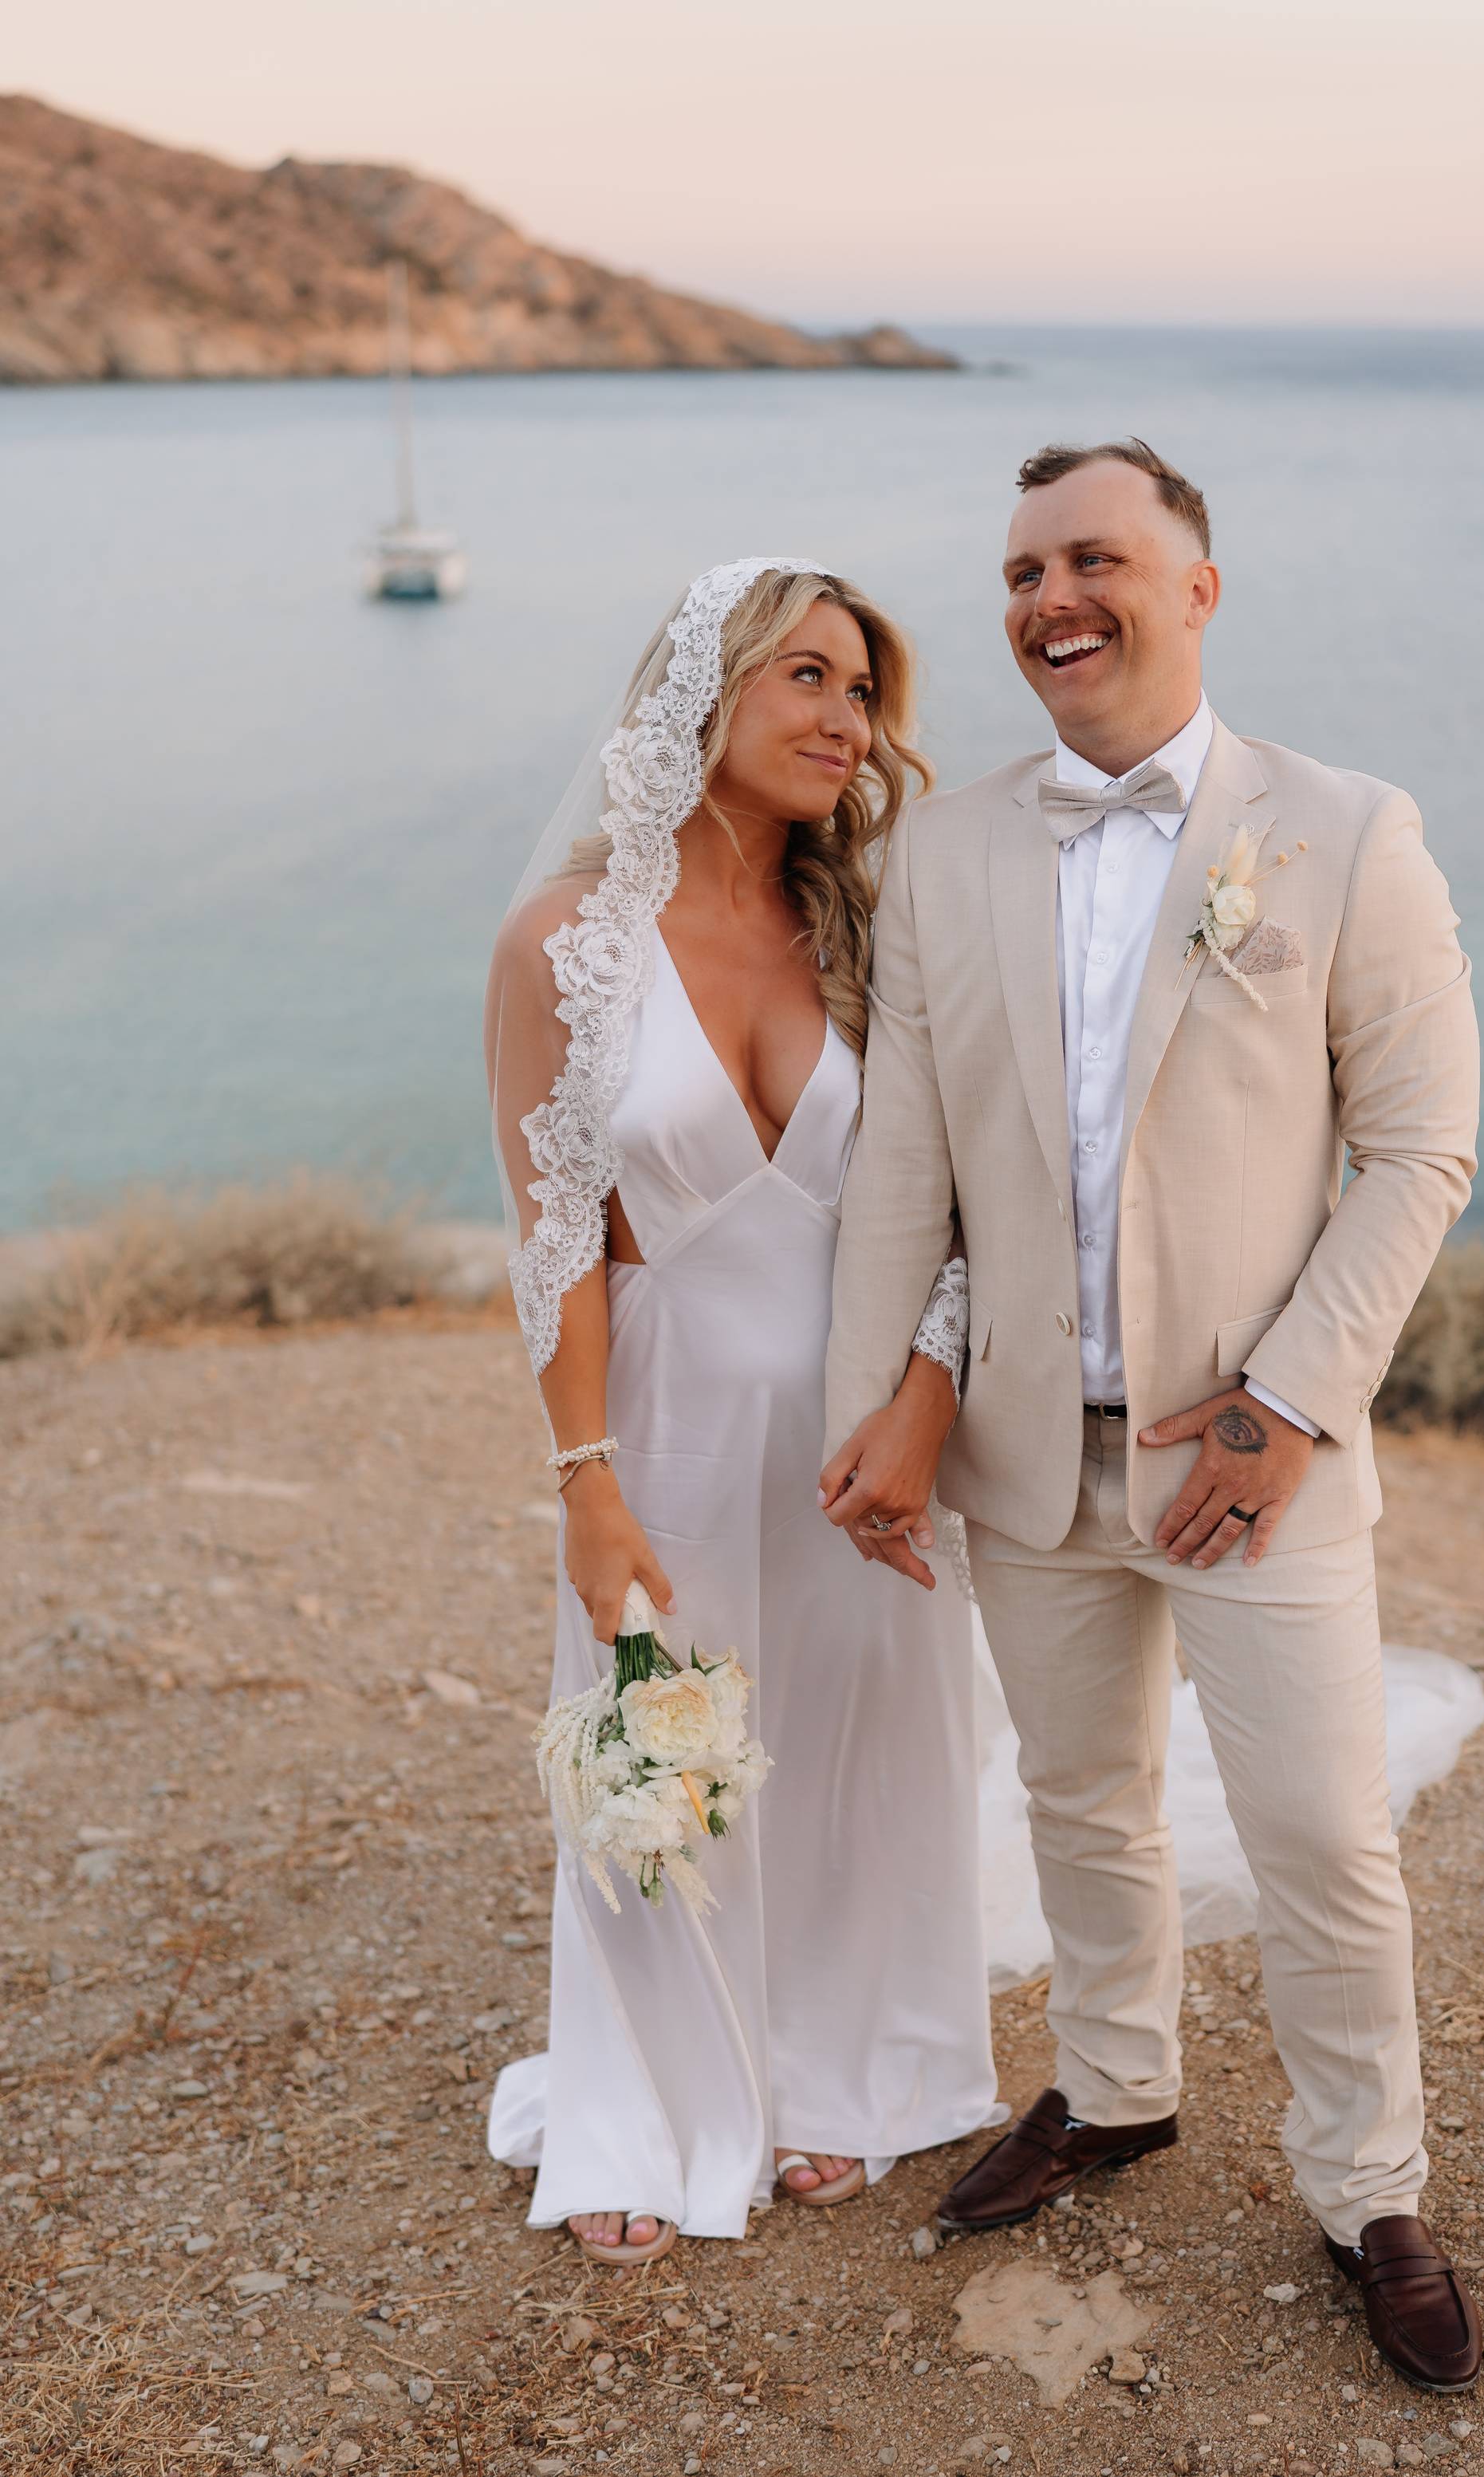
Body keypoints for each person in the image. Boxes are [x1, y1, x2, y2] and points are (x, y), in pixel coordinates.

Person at [822, 446, 1484, 2391]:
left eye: (1094, 557)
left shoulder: (1347, 830)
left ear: (1197, 586)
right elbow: (905, 1166)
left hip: (1252, 1463)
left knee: (1321, 1836)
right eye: (1023, 569)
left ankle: (1370, 2184)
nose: (1051, 598)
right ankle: (1116, 2085)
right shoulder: (944, 851)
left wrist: (1286, 1404)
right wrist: (878, 1412)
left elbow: (1420, 1148)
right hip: (1029, 1448)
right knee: (1079, 1795)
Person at [484, 558, 997, 2264]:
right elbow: (556, 1233)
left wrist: (923, 1403)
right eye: (809, 677)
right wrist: (584, 1478)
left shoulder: (878, 932)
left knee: (859, 1744)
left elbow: (961, 1204)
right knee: (661, 1748)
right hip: (673, 1416)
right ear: (702, 694)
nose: (849, 721)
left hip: (869, 1430)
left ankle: (845, 2059)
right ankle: (642, 2099)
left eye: (865, 690)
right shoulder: (564, 944)